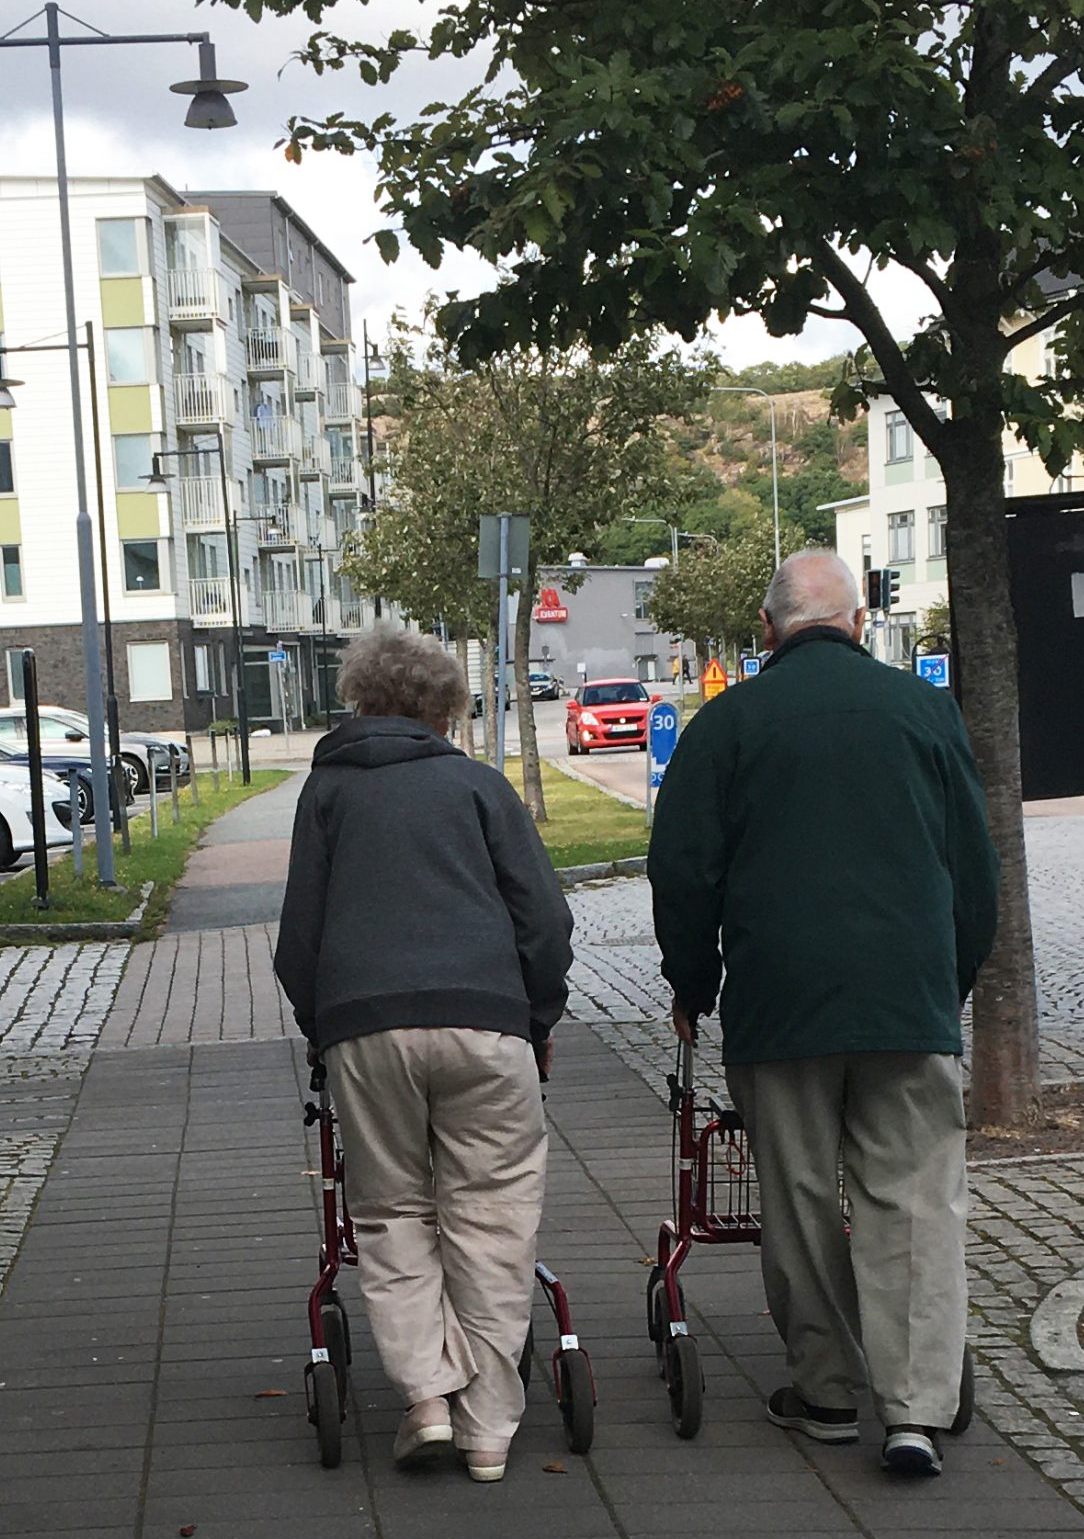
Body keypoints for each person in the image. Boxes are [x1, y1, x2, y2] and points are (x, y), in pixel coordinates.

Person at [648, 550, 999, 1475]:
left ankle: (829, 1390)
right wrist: (952, 978)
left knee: (799, 1197)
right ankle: (916, 1409)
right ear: (857, 623)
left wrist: (694, 984)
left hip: (781, 1002)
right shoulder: (925, 711)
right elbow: (974, 865)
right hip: (908, 998)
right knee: (916, 1198)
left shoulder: (728, 725)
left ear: (767, 631)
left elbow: (682, 870)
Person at [275, 626, 574, 1482]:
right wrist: (537, 1018)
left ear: (361, 698)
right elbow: (544, 920)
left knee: (392, 1213)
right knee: (492, 1218)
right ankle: (490, 1432)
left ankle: (428, 1399)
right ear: (444, 707)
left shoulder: (327, 793)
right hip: (487, 1024)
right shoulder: (478, 786)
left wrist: (325, 1030)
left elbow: (300, 940)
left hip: (365, 1029)